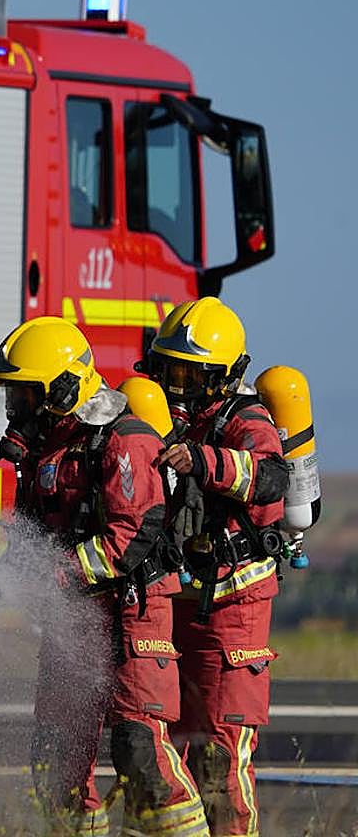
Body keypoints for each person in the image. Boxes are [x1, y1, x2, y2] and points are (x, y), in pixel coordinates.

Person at [0, 317, 207, 837]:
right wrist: (7, 573)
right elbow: (35, 535)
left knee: (139, 750)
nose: (15, 409)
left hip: (133, 611)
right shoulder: (47, 452)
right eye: (12, 397)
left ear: (61, 390)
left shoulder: (123, 441)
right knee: (55, 756)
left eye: (23, 395)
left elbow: (133, 534)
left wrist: (54, 574)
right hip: (74, 616)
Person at [146, 297, 289, 836]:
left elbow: (271, 478)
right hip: (181, 606)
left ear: (223, 376)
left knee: (222, 762)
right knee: (177, 745)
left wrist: (204, 461)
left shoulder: (247, 422)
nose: (177, 387)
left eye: (190, 374)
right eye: (170, 371)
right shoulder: (175, 422)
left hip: (235, 613)